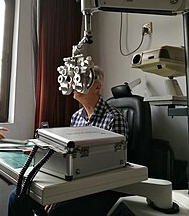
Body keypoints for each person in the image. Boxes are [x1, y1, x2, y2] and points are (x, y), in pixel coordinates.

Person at [8, 66, 128, 216]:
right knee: (16, 197)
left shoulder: (114, 118)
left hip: (97, 188)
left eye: (81, 80)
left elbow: (111, 165)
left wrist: (62, 195)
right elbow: (70, 155)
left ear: (97, 87)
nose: (73, 86)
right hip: (72, 180)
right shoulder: (76, 117)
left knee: (58, 212)